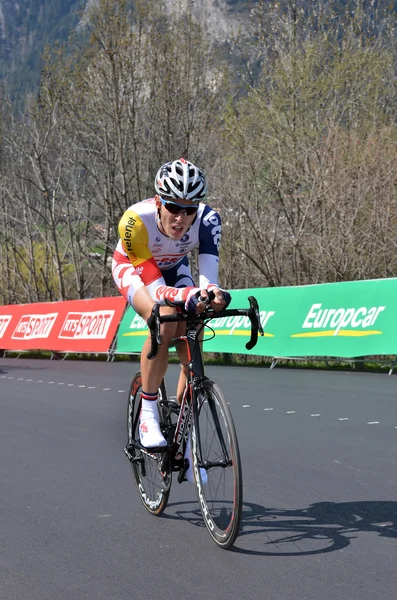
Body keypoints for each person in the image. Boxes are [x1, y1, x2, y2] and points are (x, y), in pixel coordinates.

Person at [112, 158, 231, 449]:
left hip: (174, 268)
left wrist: (211, 294)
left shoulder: (207, 220)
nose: (180, 218)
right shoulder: (135, 221)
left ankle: (182, 425)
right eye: (173, 207)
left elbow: (208, 279)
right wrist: (187, 297)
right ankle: (149, 414)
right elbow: (157, 290)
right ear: (158, 202)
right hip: (136, 270)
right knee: (162, 319)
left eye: (189, 210)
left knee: (194, 328)